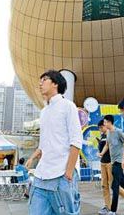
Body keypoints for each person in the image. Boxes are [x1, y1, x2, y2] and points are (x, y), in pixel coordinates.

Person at [26, 70, 83, 215]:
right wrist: (33, 157)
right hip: (41, 175)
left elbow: (76, 141)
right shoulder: (44, 112)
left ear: (56, 84)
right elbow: (44, 143)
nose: (40, 83)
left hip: (61, 175)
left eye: (44, 79)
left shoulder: (68, 106)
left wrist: (69, 172)